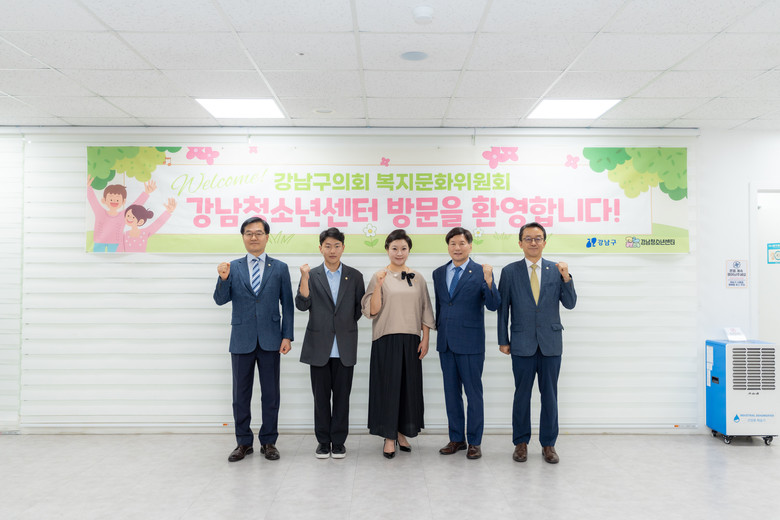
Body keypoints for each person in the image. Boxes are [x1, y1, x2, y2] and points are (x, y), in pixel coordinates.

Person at [213, 216, 294, 463]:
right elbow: (220, 300)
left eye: (259, 233)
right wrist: (223, 279)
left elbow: (287, 305)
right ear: (243, 237)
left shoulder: (279, 268)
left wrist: (287, 336)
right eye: (249, 233)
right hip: (241, 339)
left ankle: (269, 442)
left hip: (271, 339)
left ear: (267, 237)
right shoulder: (232, 267)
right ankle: (243, 442)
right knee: (240, 395)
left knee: (271, 394)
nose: (254, 237)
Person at [497, 222, 576, 464]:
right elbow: (503, 309)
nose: (533, 242)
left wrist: (566, 277)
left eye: (538, 238)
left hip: (551, 343)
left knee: (550, 396)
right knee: (521, 395)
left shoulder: (556, 270)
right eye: (528, 238)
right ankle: (520, 443)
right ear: (520, 243)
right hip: (521, 343)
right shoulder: (509, 271)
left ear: (544, 242)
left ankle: (548, 444)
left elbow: (570, 303)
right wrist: (503, 340)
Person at [361, 229, 435, 459]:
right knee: (388, 389)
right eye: (394, 248)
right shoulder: (379, 276)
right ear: (387, 250)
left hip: (411, 339)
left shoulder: (418, 277)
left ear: (409, 250)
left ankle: (402, 432)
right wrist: (379, 285)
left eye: (403, 248)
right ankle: (388, 437)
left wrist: (425, 339)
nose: (399, 252)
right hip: (386, 338)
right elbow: (372, 311)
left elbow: (425, 309)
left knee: (407, 390)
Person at [295, 228, 365, 459]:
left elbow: (358, 310)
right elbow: (302, 305)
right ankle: (323, 442)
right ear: (320, 248)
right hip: (319, 346)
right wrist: (304, 278)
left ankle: (339, 442)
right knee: (321, 399)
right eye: (328, 246)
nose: (332, 250)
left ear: (343, 248)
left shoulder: (355, 276)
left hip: (344, 346)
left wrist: (341, 326)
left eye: (336, 246)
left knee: (343, 398)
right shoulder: (311, 274)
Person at [432, 227, 500, 460]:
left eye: (462, 243)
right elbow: (442, 306)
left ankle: (474, 442)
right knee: (451, 394)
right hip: (446, 342)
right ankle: (456, 439)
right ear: (448, 246)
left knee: (473, 394)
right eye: (453, 243)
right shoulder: (439, 273)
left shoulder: (481, 271)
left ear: (470, 246)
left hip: (471, 343)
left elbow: (493, 305)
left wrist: (489, 281)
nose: (457, 248)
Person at [87, 175, 156, 252]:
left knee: (117, 259)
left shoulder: (124, 215)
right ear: (104, 200)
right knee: (97, 258)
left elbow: (135, 206)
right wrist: (88, 188)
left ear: (123, 201)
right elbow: (92, 200)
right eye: (111, 199)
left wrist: (146, 193)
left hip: (116, 244)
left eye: (117, 200)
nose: (114, 201)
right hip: (99, 242)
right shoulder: (99, 211)